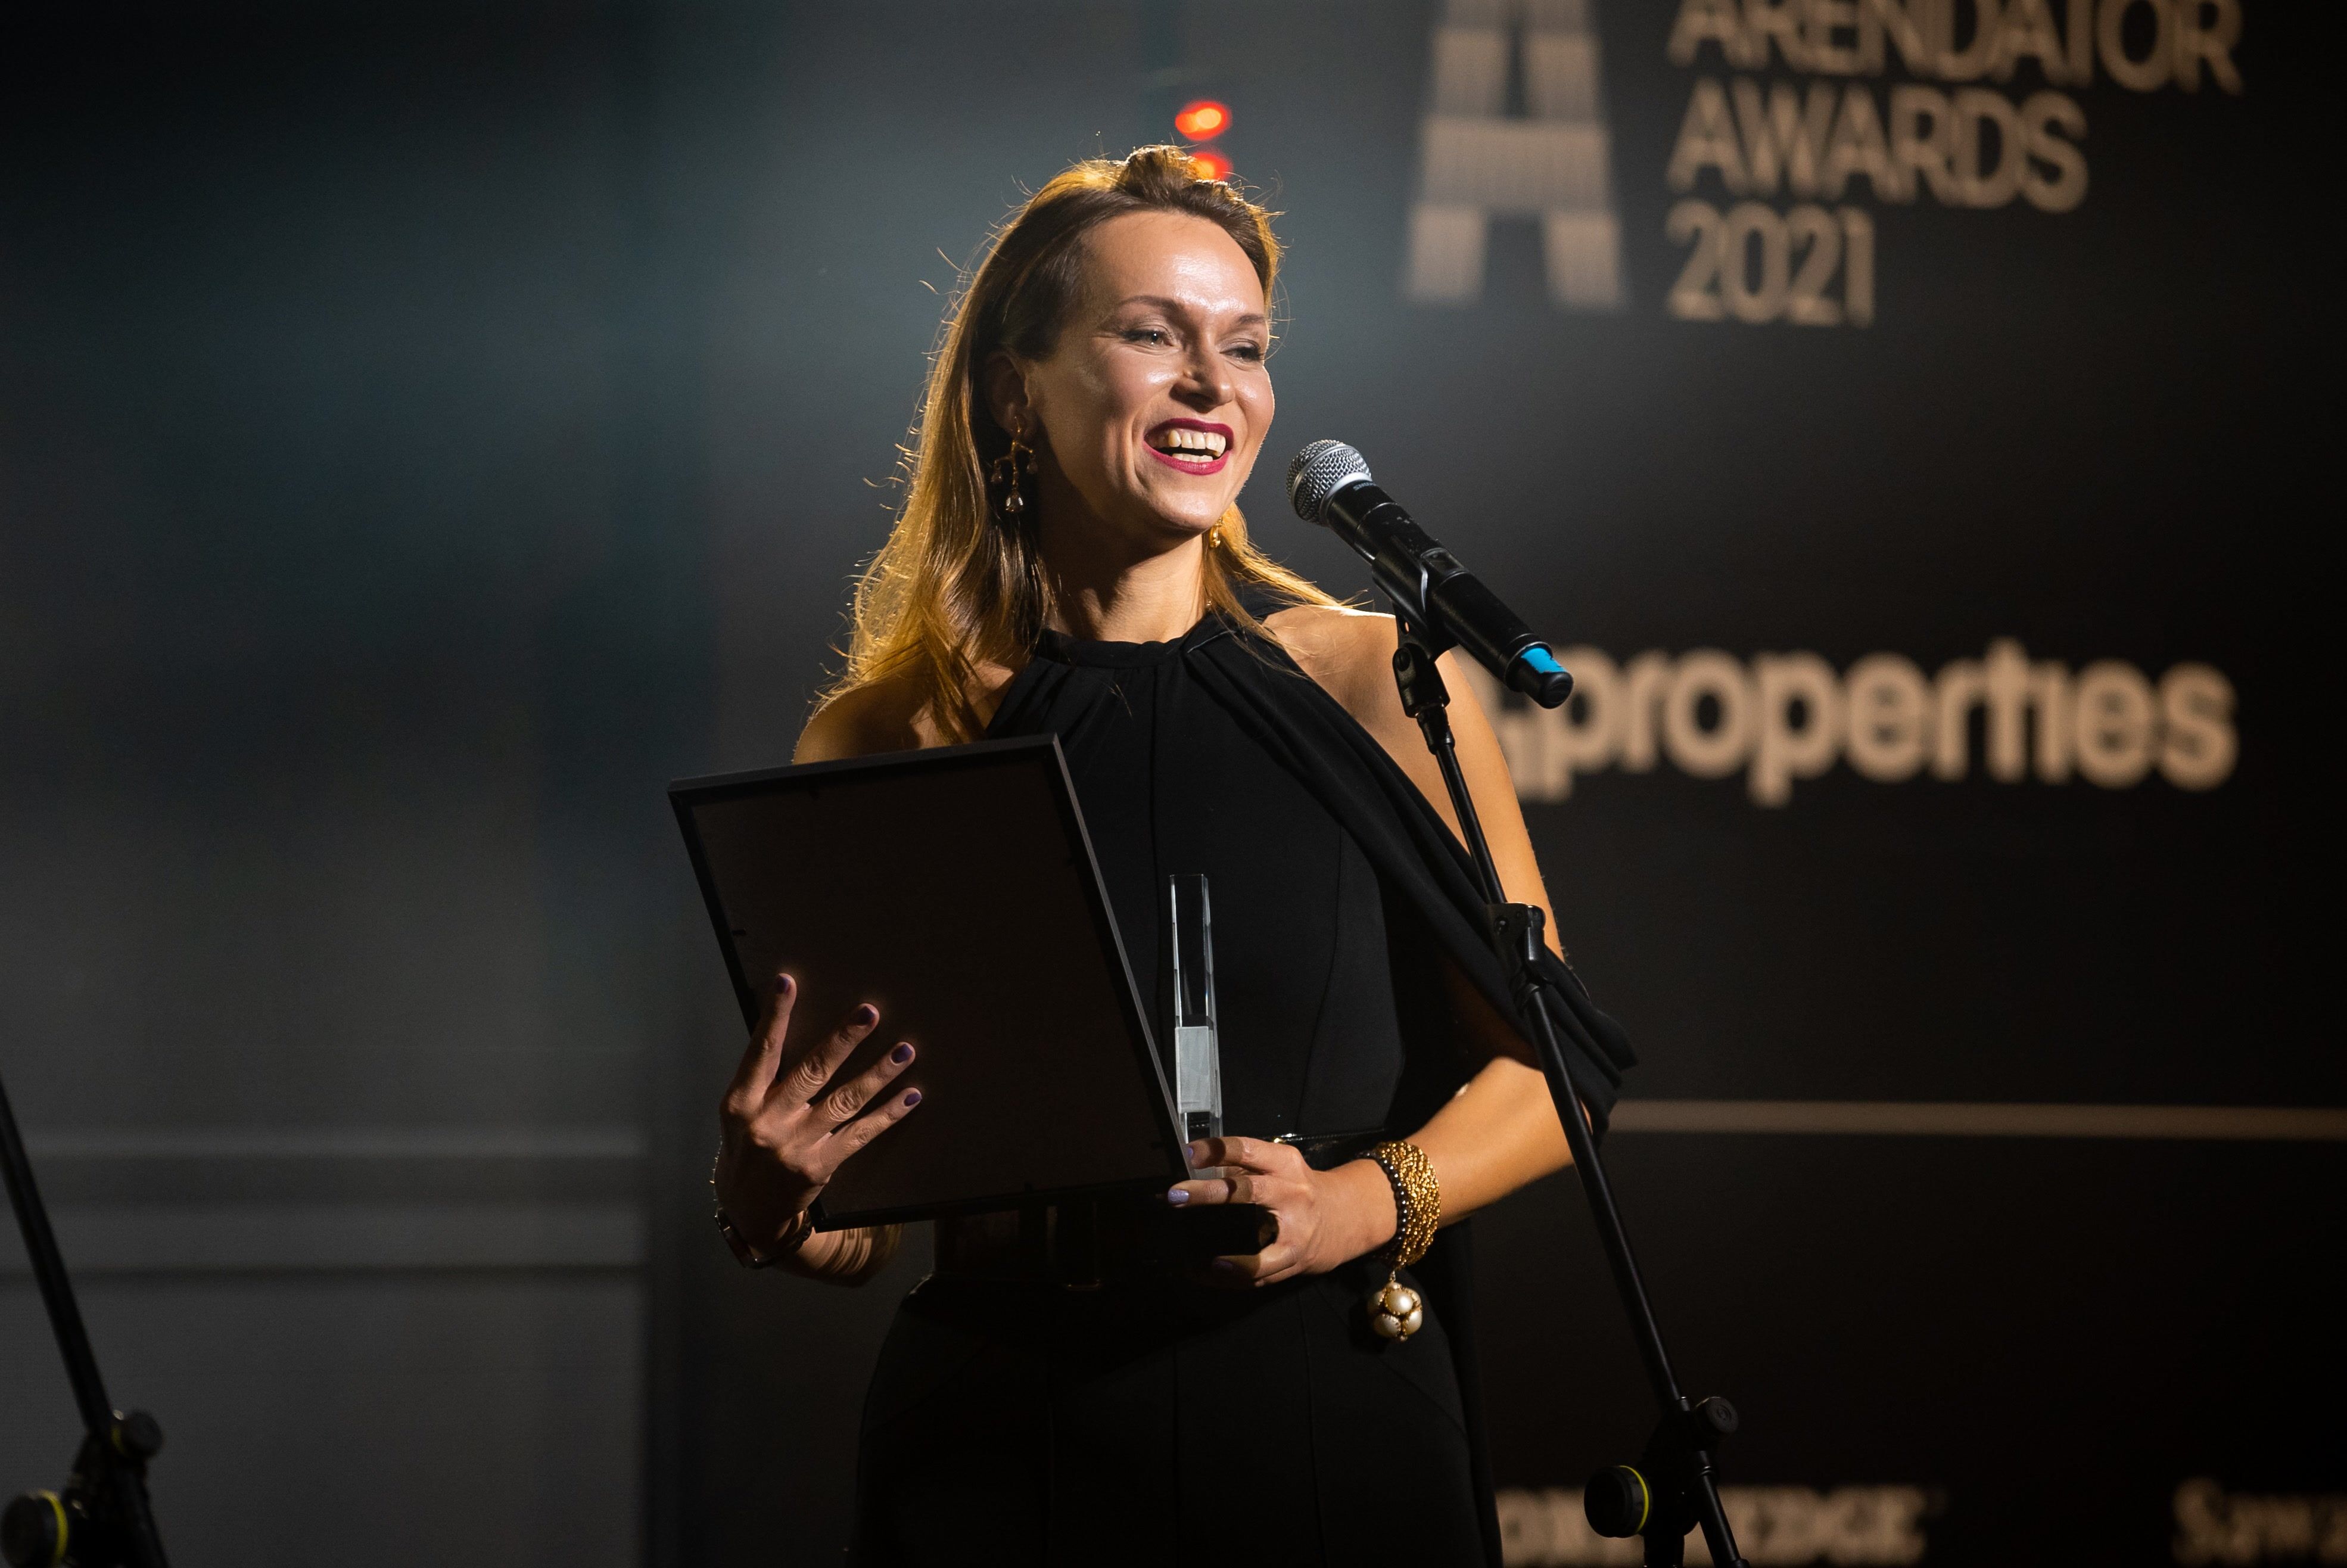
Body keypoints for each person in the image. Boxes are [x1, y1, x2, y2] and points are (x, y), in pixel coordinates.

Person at [708, 145, 1633, 1566]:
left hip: (1324, 1412)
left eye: (1244, 346)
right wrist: (772, 1206)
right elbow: (864, 1223)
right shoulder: (892, 732)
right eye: (1152, 334)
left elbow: (1552, 1067)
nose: (1213, 383)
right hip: (997, 1445)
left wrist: (1355, 1204)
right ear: (1015, 389)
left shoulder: (1368, 682)